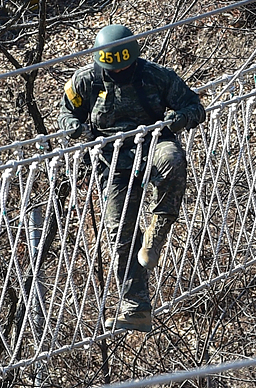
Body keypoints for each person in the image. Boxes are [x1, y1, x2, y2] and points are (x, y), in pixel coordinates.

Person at [58, 24, 205, 332]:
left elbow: (194, 106)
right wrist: (74, 127)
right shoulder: (86, 80)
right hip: (112, 160)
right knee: (118, 231)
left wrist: (177, 120)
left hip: (152, 143)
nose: (120, 73)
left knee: (173, 159)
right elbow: (65, 112)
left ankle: (158, 231)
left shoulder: (155, 75)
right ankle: (136, 306)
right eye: (114, 69)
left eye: (126, 68)